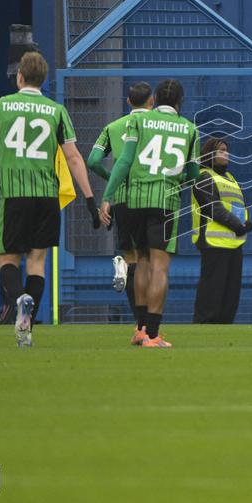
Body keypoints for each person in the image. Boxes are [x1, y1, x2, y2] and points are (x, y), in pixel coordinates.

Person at [0, 52, 101, 347]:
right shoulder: (55, 111)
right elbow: (73, 157)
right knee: (37, 262)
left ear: (19, 77)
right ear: (44, 79)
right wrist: (89, 198)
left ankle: (18, 298)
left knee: (6, 258)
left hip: (15, 195)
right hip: (46, 197)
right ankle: (26, 326)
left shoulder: (0, 106)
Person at [99, 79, 200, 347]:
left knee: (141, 262)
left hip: (134, 199)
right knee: (160, 267)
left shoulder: (138, 122)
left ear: (155, 99)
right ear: (180, 102)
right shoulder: (189, 130)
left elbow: (124, 161)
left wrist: (108, 196)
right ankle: (153, 334)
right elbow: (193, 173)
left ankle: (141, 329)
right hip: (165, 201)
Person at [86, 81, 153, 332]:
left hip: (123, 199)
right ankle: (147, 325)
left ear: (128, 102)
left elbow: (92, 160)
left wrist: (112, 180)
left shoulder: (112, 127)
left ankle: (139, 324)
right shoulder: (158, 125)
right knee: (149, 261)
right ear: (152, 101)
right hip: (152, 197)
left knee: (132, 260)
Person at [191, 138, 252, 323]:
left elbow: (238, 205)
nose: (226, 153)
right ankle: (203, 328)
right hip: (213, 243)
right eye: (221, 151)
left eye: (227, 150)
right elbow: (213, 208)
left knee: (230, 295)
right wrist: (238, 226)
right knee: (212, 293)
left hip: (234, 242)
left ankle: (224, 329)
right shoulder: (203, 176)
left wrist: (248, 222)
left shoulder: (230, 178)